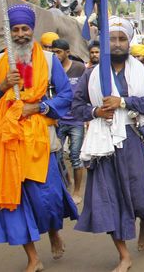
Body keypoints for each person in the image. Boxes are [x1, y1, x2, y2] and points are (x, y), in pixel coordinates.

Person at [0, 5, 78, 272]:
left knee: (48, 199)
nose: (20, 34)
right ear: (8, 33)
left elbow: (66, 96)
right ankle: (33, 257)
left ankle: (54, 230)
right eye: (15, 29)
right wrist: (2, 87)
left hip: (40, 140)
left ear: (32, 30)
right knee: (14, 202)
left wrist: (39, 107)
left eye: (25, 29)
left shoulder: (49, 60)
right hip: (7, 142)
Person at [72, 16, 144, 272]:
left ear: (129, 42)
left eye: (121, 39)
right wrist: (95, 112)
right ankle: (124, 255)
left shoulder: (142, 72)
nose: (116, 44)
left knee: (141, 193)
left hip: (132, 140)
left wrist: (123, 102)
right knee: (108, 199)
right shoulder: (91, 74)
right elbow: (76, 106)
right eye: (112, 39)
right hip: (103, 145)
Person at [50, 38, 87, 205]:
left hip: (76, 119)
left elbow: (86, 90)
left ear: (67, 52)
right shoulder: (51, 69)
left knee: (75, 156)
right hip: (58, 119)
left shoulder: (79, 68)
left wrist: (87, 114)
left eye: (58, 52)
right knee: (57, 157)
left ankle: (77, 192)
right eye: (53, 52)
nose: (56, 55)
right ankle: (67, 183)